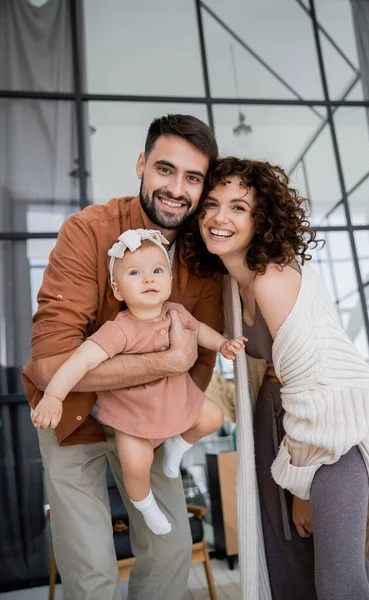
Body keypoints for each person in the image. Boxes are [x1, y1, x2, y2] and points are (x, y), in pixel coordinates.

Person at [22, 114, 223, 600]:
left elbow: (200, 360)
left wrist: (172, 409)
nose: (176, 188)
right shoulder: (87, 231)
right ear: (141, 165)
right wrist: (164, 363)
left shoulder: (205, 254)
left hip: (152, 422)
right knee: (92, 573)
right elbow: (51, 364)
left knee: (172, 549)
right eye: (165, 170)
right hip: (72, 417)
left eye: (192, 178)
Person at [183, 156, 369, 600]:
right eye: (211, 204)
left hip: (330, 438)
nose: (219, 217)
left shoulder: (273, 278)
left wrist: (303, 483)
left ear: (261, 219)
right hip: (275, 427)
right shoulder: (232, 284)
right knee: (290, 570)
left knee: (341, 581)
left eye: (238, 207)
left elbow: (320, 389)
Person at [31, 228, 246, 536]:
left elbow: (198, 330)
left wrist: (222, 344)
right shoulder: (119, 330)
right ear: (118, 291)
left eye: (157, 271)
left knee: (212, 417)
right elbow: (80, 361)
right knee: (136, 463)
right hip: (134, 414)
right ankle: (146, 506)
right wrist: (53, 396)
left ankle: (176, 446)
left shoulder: (177, 312)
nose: (149, 279)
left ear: (169, 282)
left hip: (175, 400)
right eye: (135, 273)